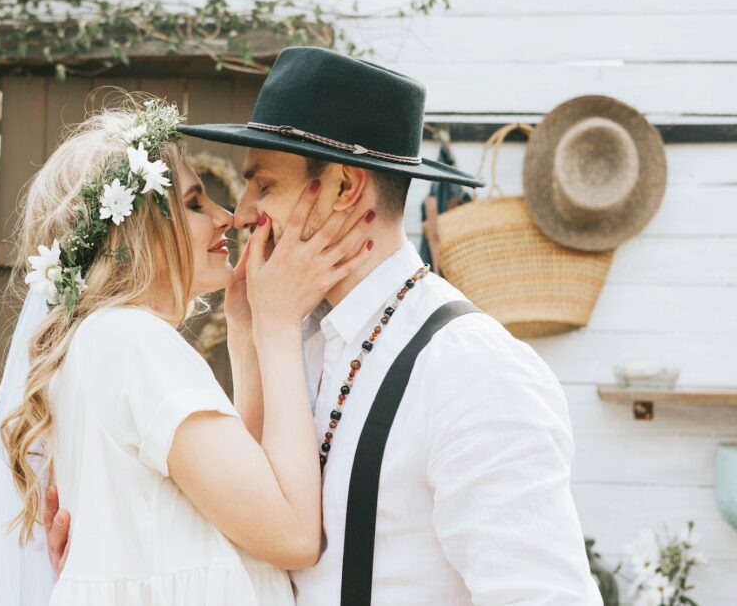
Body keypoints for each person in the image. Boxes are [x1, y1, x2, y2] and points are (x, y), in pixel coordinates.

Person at [46, 48, 604, 605]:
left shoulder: (470, 368)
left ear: (344, 188)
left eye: (262, 186)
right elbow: (244, 535)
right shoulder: (289, 340)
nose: (240, 214)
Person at [0, 95, 378, 606]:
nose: (226, 217)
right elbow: (291, 535)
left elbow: (234, 497)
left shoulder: (101, 342)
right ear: (137, 231)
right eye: (195, 203)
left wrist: (243, 336)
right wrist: (278, 326)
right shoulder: (132, 342)